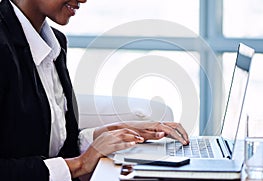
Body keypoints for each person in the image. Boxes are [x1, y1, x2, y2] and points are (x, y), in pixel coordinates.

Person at [0, 0, 190, 180]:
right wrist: (80, 164)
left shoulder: (55, 43)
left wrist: (118, 131)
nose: (83, 0)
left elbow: (49, 147)